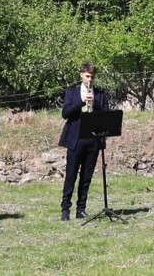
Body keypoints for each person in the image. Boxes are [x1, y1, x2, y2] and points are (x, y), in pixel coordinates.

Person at [58, 63, 110, 221]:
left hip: (93, 139)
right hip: (76, 139)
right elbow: (65, 113)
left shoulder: (100, 94)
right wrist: (81, 101)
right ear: (81, 75)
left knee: (86, 177)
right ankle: (65, 208)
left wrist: (96, 105)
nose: (90, 80)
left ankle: (81, 208)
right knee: (71, 175)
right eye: (87, 76)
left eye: (92, 77)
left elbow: (107, 115)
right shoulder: (72, 92)